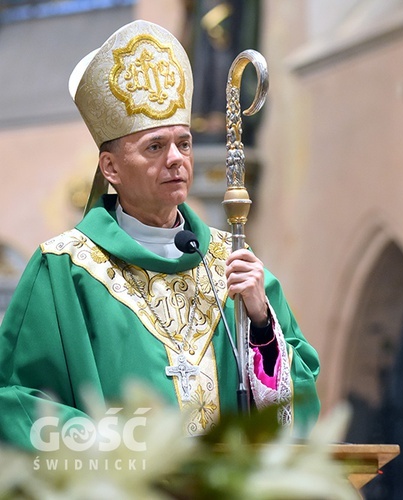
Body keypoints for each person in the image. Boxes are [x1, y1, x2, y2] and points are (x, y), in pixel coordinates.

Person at [0, 20, 320, 450]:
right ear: (111, 168)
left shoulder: (232, 262)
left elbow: (297, 411)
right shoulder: (64, 269)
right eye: (155, 146)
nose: (176, 159)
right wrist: (120, 448)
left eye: (184, 144)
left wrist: (260, 320)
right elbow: (16, 402)